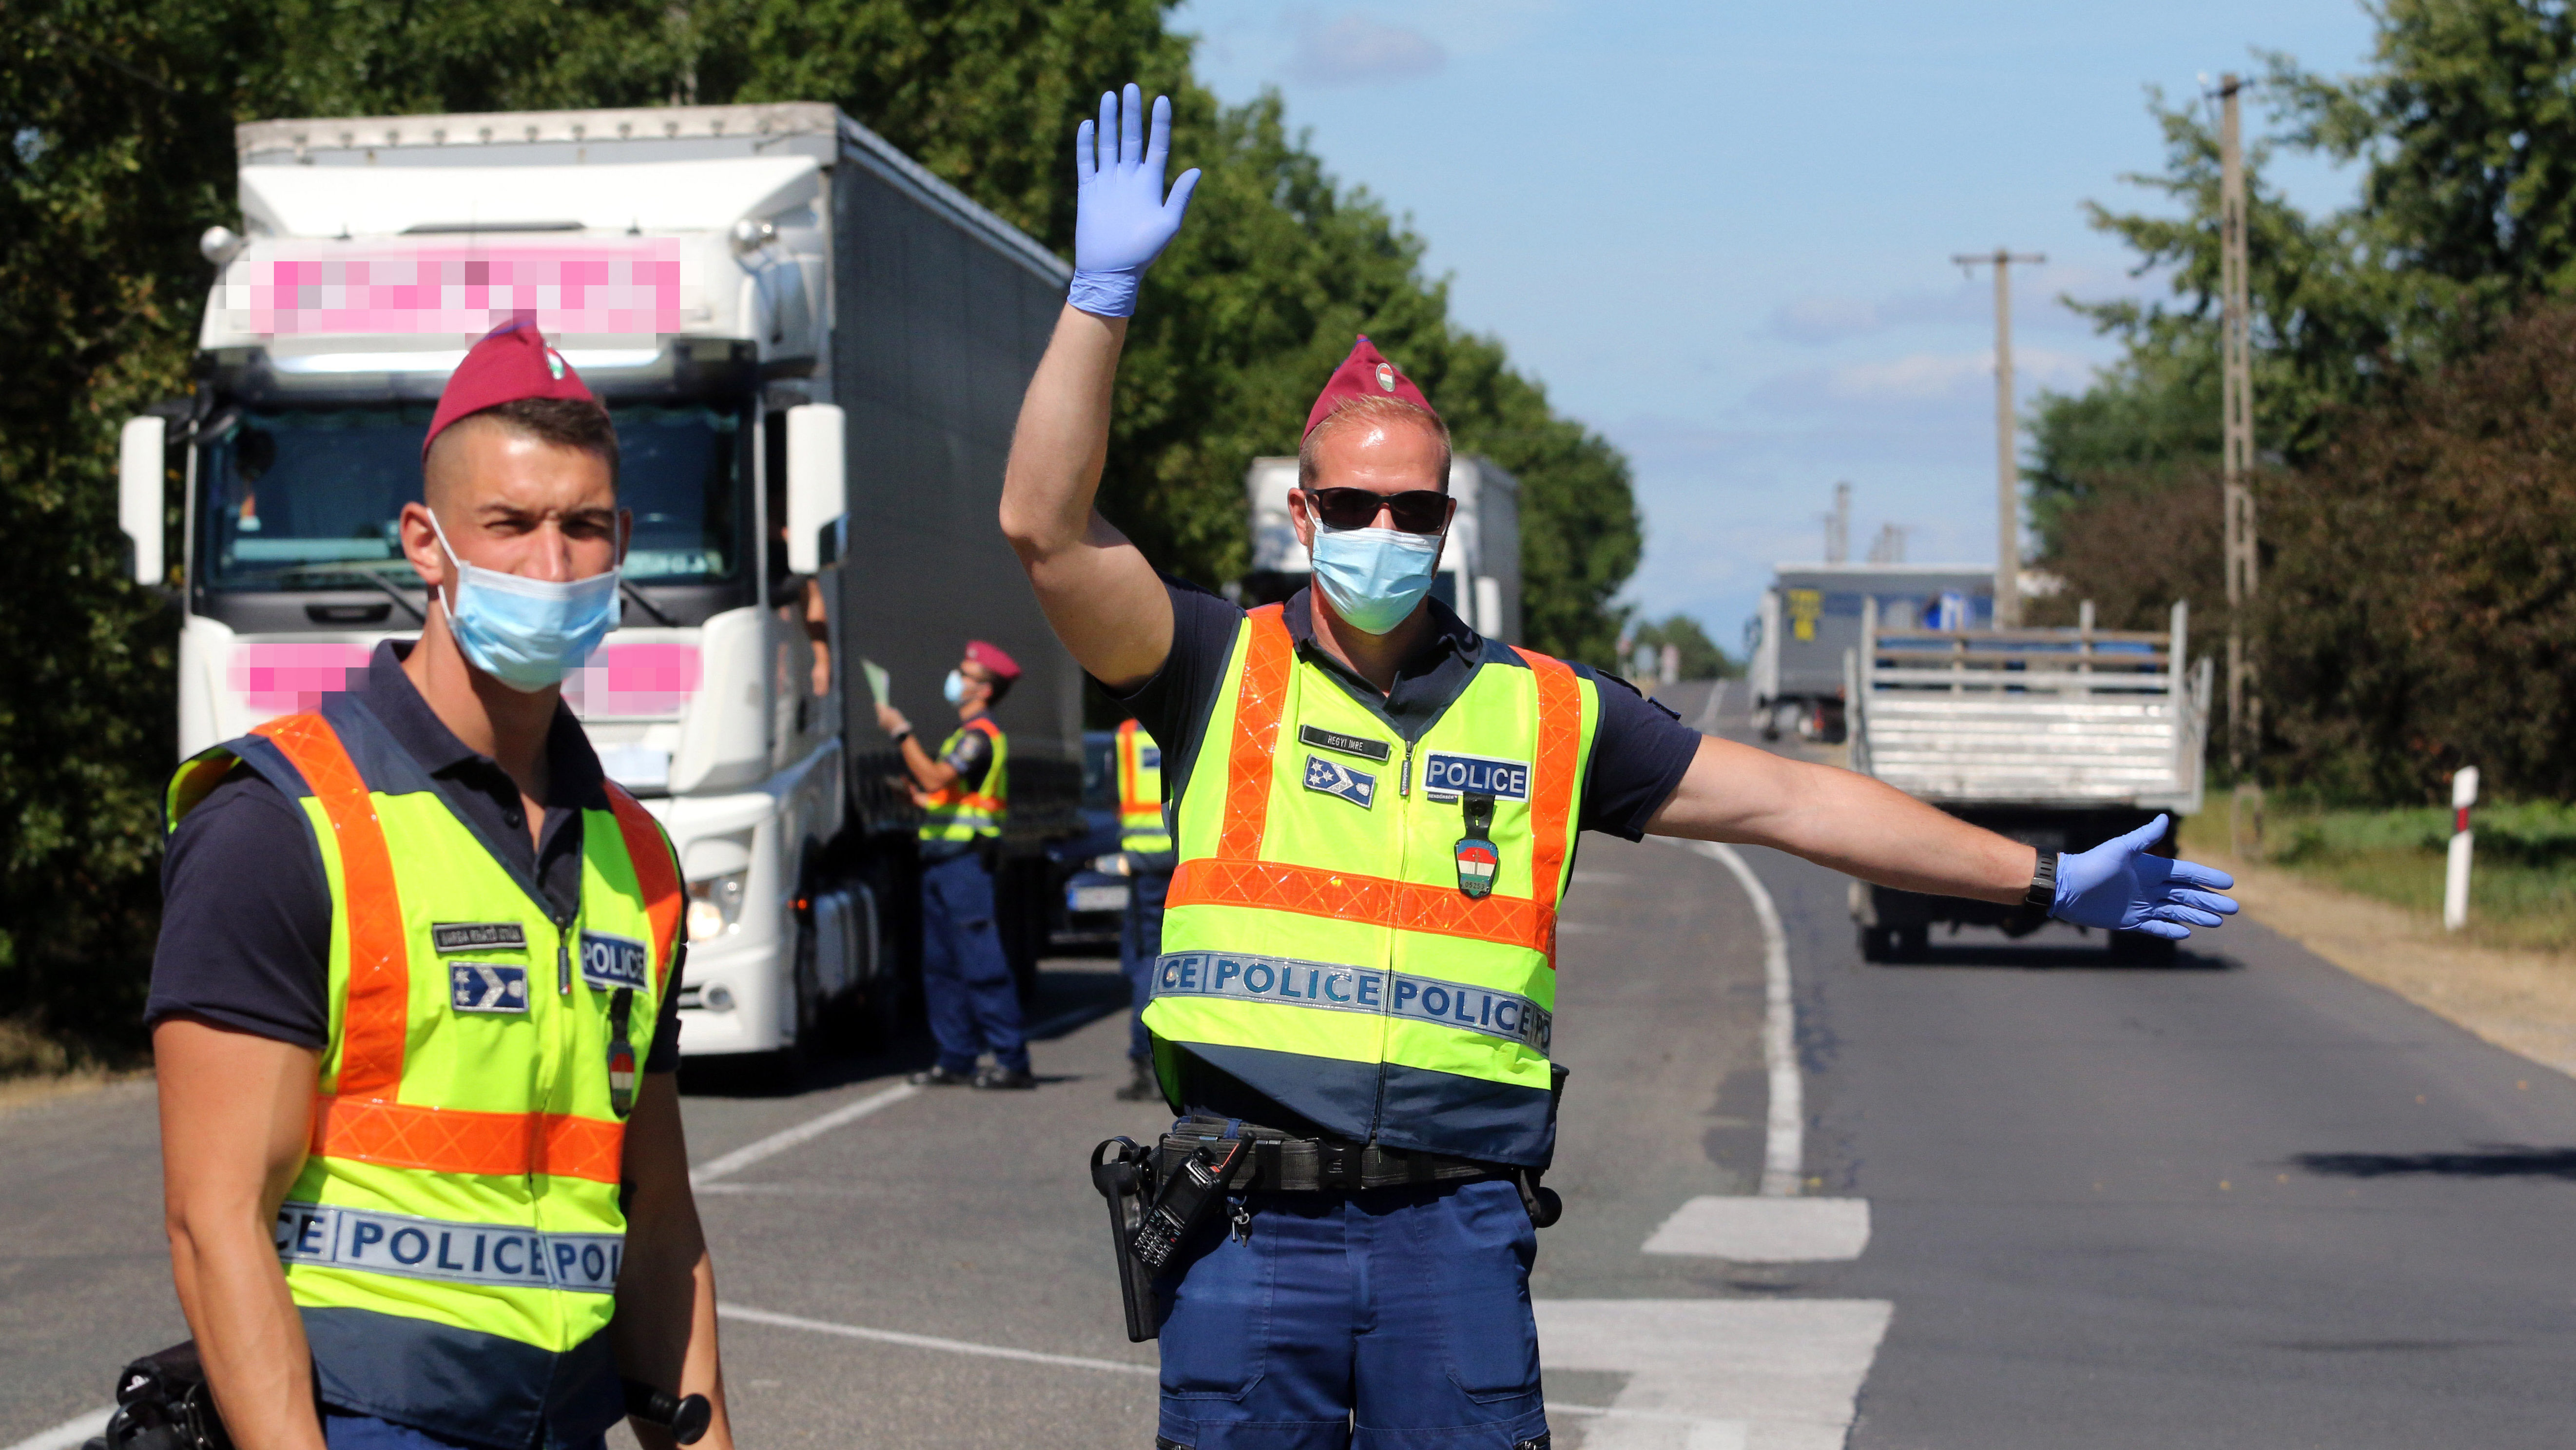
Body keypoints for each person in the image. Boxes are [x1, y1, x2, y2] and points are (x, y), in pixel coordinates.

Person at [999, 85, 2241, 1450]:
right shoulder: (1209, 662)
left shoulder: (1545, 711)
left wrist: (2039, 874)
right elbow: (1045, 531)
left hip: (1449, 1231)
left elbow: (1790, 798)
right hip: (1246, 1226)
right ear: (1302, 512)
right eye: (1347, 506)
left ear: (1445, 522)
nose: (1377, 529)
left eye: (1409, 509)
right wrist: (1098, 296)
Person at [148, 320, 734, 1450]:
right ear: (426, 541)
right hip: (364, 1421)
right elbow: (214, 1220)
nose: (553, 567)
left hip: (565, 1422)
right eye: (509, 526)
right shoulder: (281, 820)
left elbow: (657, 1220)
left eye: (585, 527)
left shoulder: (637, 856)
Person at [877, 641, 1037, 1090]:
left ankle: (1011, 1059)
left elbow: (934, 776)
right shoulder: (962, 736)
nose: (956, 678)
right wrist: (919, 800)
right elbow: (942, 793)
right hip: (942, 862)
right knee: (941, 966)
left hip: (967, 864)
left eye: (966, 674)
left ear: (984, 689)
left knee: (981, 964)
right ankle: (956, 1057)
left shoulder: (978, 737)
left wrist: (901, 731)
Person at [1112, 716, 1176, 1101]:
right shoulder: (1199, 708)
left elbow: (1113, 797)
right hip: (1189, 853)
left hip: (1144, 864)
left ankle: (1146, 1066)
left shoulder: (1126, 735)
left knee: (1147, 964)